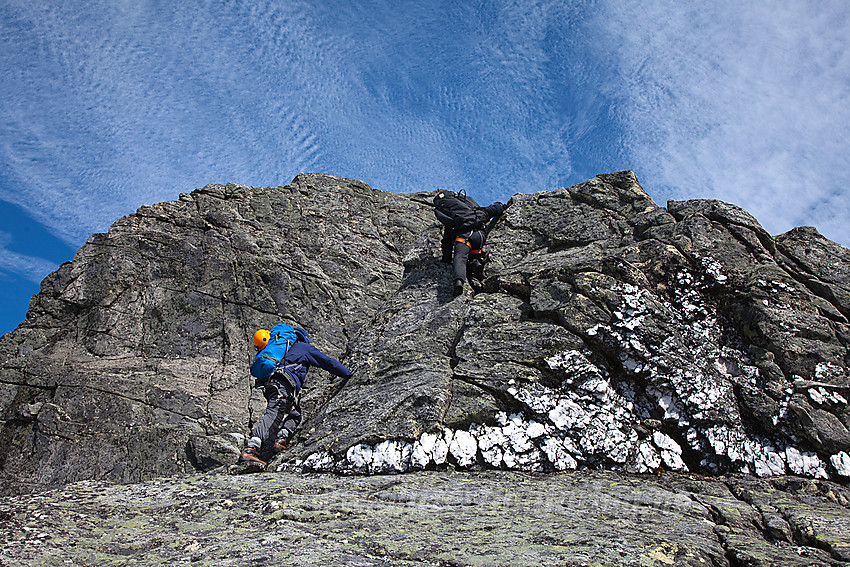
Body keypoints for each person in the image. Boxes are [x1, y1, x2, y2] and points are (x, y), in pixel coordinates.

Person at [240, 324, 352, 466]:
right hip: (283, 384)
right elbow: (327, 362)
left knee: (295, 413)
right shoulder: (303, 348)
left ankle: (281, 439)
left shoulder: (281, 348)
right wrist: (348, 373)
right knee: (274, 414)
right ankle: (252, 448)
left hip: (272, 383)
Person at [433, 190, 505, 296]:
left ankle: (458, 282)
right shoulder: (475, 211)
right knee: (472, 256)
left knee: (460, 258)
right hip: (480, 236)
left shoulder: (454, 219)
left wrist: (446, 260)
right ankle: (476, 265)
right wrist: (504, 206)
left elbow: (447, 243)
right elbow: (495, 209)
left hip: (465, 236)